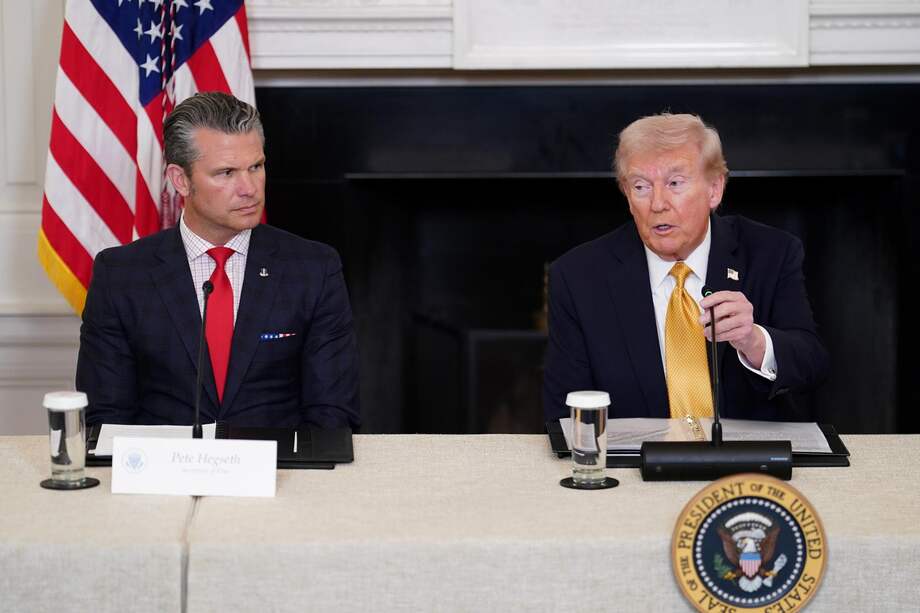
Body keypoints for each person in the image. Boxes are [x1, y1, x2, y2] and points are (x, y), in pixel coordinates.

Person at [77, 92, 360, 429]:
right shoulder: (121, 275)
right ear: (181, 180)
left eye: (256, 167)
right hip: (162, 475)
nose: (249, 188)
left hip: (281, 473)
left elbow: (333, 414)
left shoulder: (314, 268)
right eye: (226, 173)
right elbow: (106, 419)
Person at [543, 113, 828, 422]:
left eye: (675, 183)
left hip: (746, 464)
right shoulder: (578, 277)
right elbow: (565, 415)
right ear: (627, 196)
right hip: (635, 466)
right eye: (640, 187)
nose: (657, 204)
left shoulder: (771, 253)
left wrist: (754, 341)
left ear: (714, 190)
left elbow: (812, 365)